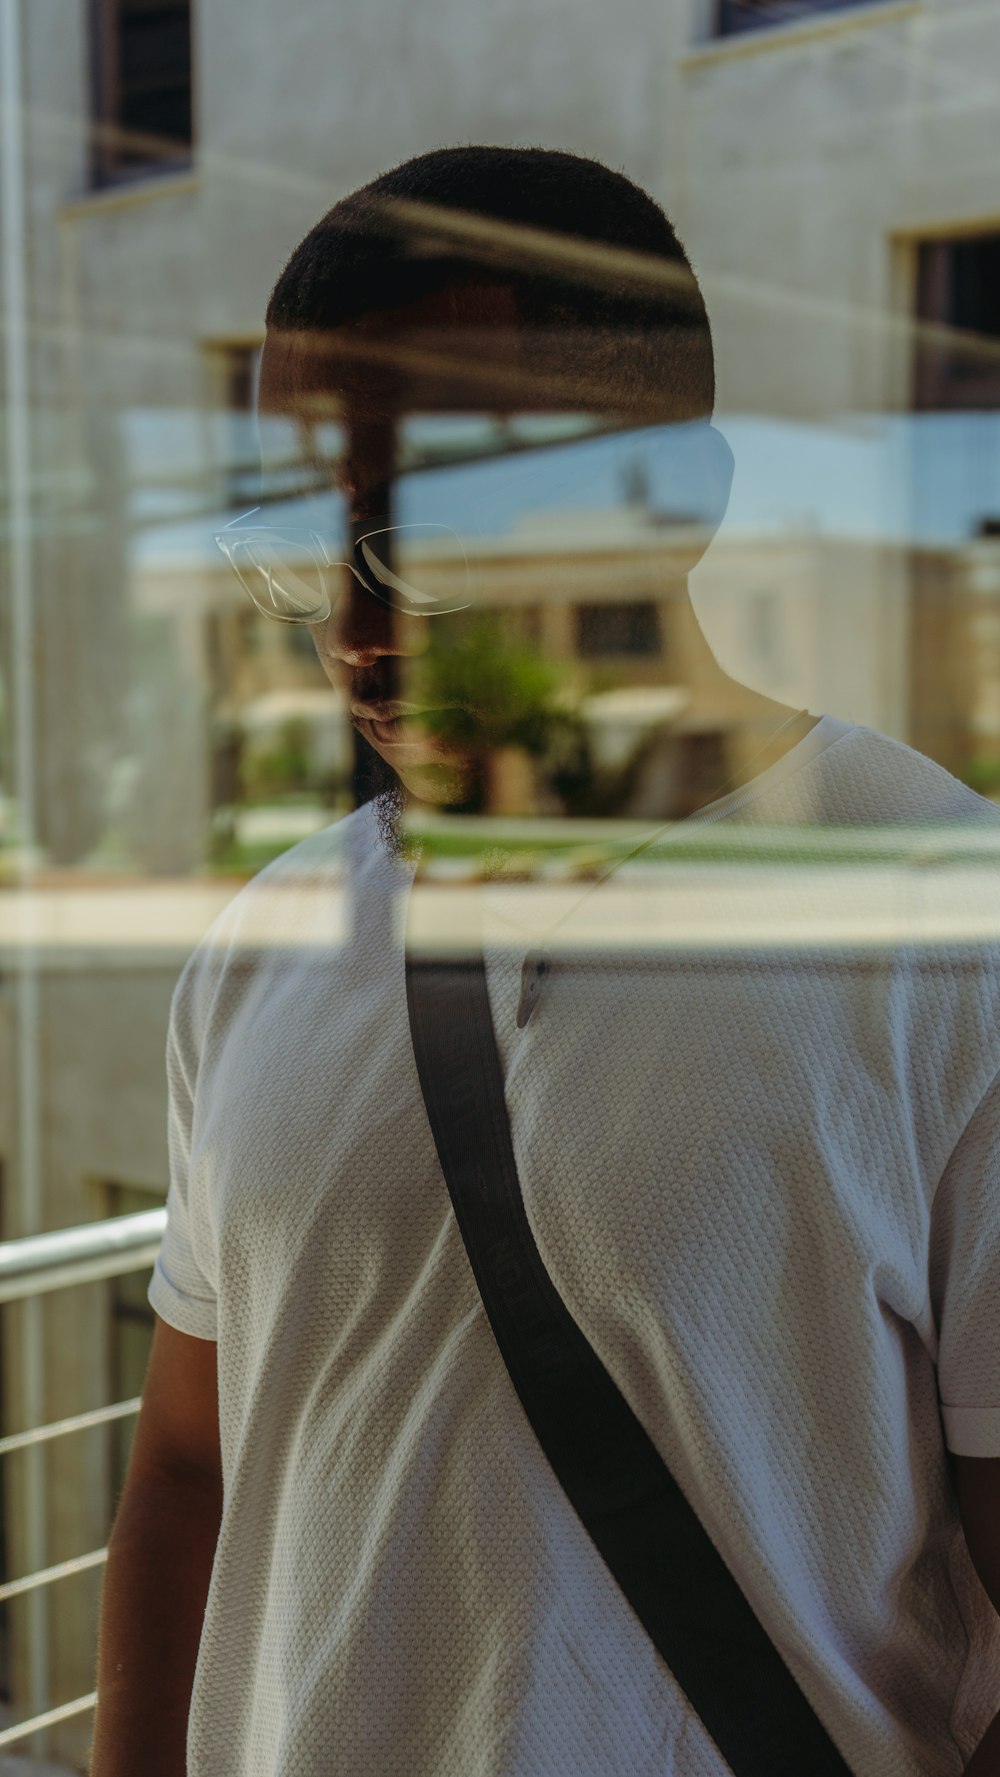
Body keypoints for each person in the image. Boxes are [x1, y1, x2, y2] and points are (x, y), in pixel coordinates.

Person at [91, 146, 1000, 1777]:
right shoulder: (261, 948)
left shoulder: (943, 930)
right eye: (308, 539)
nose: (354, 632)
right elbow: (186, 1474)